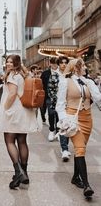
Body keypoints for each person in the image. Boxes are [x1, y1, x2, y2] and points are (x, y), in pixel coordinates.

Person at [56, 58, 101, 198]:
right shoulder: (65, 82)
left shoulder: (88, 82)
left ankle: (76, 177)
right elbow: (60, 104)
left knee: (80, 149)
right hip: (73, 119)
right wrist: (65, 120)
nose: (85, 68)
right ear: (76, 68)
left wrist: (93, 86)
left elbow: (98, 98)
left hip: (87, 119)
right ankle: (87, 185)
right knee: (80, 148)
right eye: (83, 66)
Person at [0, 55, 41, 189]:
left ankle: (18, 172)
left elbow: (12, 94)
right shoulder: (21, 75)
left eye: (11, 62)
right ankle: (23, 173)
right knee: (22, 141)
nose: (9, 64)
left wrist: (4, 108)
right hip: (23, 112)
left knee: (9, 141)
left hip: (13, 112)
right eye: (7, 61)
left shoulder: (11, 76)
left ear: (16, 63)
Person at [47, 56, 70, 161]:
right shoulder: (54, 76)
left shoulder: (70, 76)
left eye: (66, 63)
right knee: (63, 126)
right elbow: (50, 91)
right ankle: (64, 149)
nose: (64, 64)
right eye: (62, 63)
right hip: (59, 106)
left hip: (69, 105)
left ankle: (65, 147)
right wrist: (55, 102)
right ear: (59, 64)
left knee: (68, 126)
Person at [40, 57, 58, 125]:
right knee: (51, 113)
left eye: (56, 63)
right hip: (48, 96)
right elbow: (41, 84)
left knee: (57, 114)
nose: (55, 65)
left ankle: (57, 128)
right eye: (53, 63)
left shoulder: (61, 73)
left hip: (59, 96)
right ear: (50, 64)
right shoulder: (45, 73)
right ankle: (52, 128)